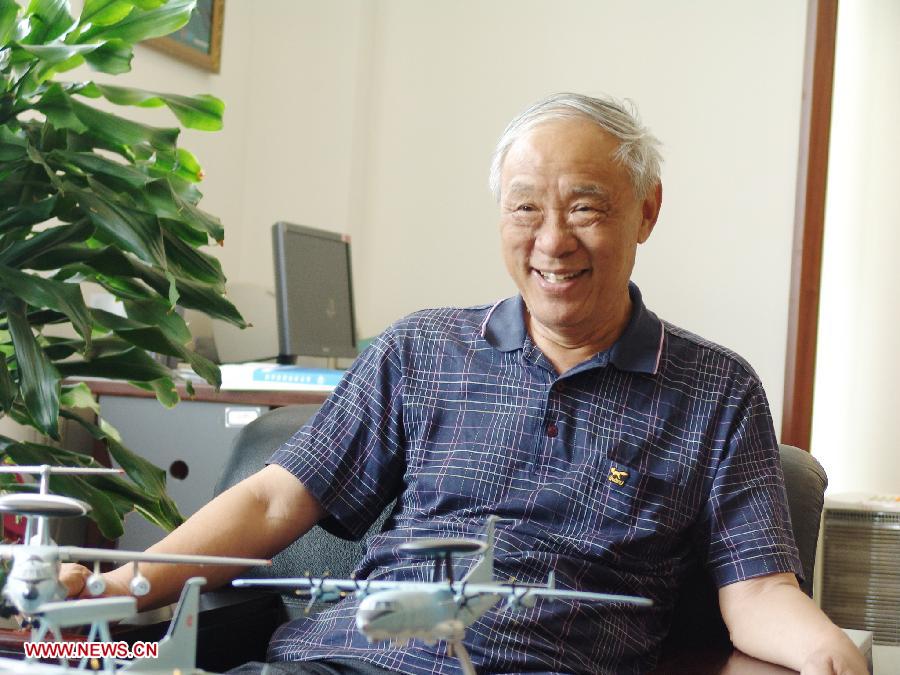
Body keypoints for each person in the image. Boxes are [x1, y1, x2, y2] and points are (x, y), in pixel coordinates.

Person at [63, 93, 867, 675]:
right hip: (337, 663)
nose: (553, 241)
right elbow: (277, 500)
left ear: (646, 211)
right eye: (526, 210)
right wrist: (115, 588)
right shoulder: (421, 348)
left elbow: (759, 587)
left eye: (586, 207)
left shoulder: (715, 391)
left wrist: (830, 652)